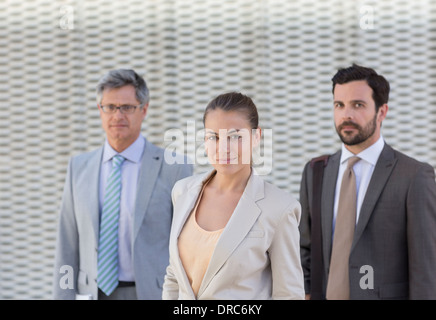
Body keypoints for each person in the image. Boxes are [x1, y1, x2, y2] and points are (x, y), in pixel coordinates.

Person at [299, 64, 436, 300]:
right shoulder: (315, 171)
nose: (346, 115)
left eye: (358, 105)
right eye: (339, 105)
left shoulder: (414, 176)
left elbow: (425, 268)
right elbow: (305, 249)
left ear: (382, 112)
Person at [53, 69, 193, 300]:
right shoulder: (78, 168)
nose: (117, 116)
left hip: (152, 293)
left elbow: (188, 248)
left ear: (144, 109)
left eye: (127, 107)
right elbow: (67, 247)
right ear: (100, 110)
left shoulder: (175, 168)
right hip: (92, 293)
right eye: (110, 107)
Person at [162, 92, 305, 300]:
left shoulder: (280, 208)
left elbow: (289, 295)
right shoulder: (183, 192)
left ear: (256, 137)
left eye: (235, 136)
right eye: (214, 137)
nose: (223, 148)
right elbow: (174, 276)